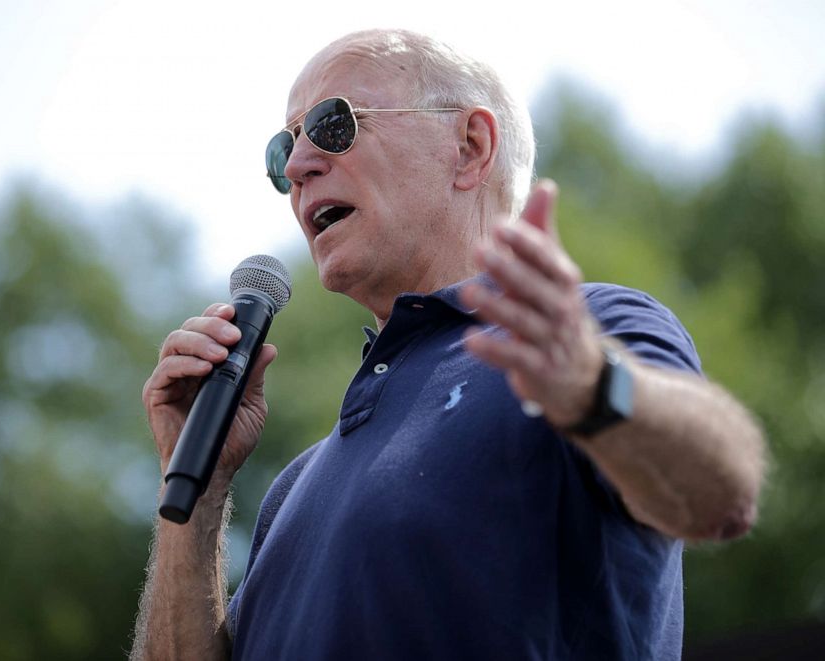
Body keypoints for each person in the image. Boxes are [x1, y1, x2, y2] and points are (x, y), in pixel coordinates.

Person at [130, 29, 766, 660]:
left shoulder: (597, 327)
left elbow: (725, 492)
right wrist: (198, 486)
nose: (297, 168)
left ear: (470, 147)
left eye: (333, 124)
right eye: (282, 150)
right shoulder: (291, 490)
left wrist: (597, 389)